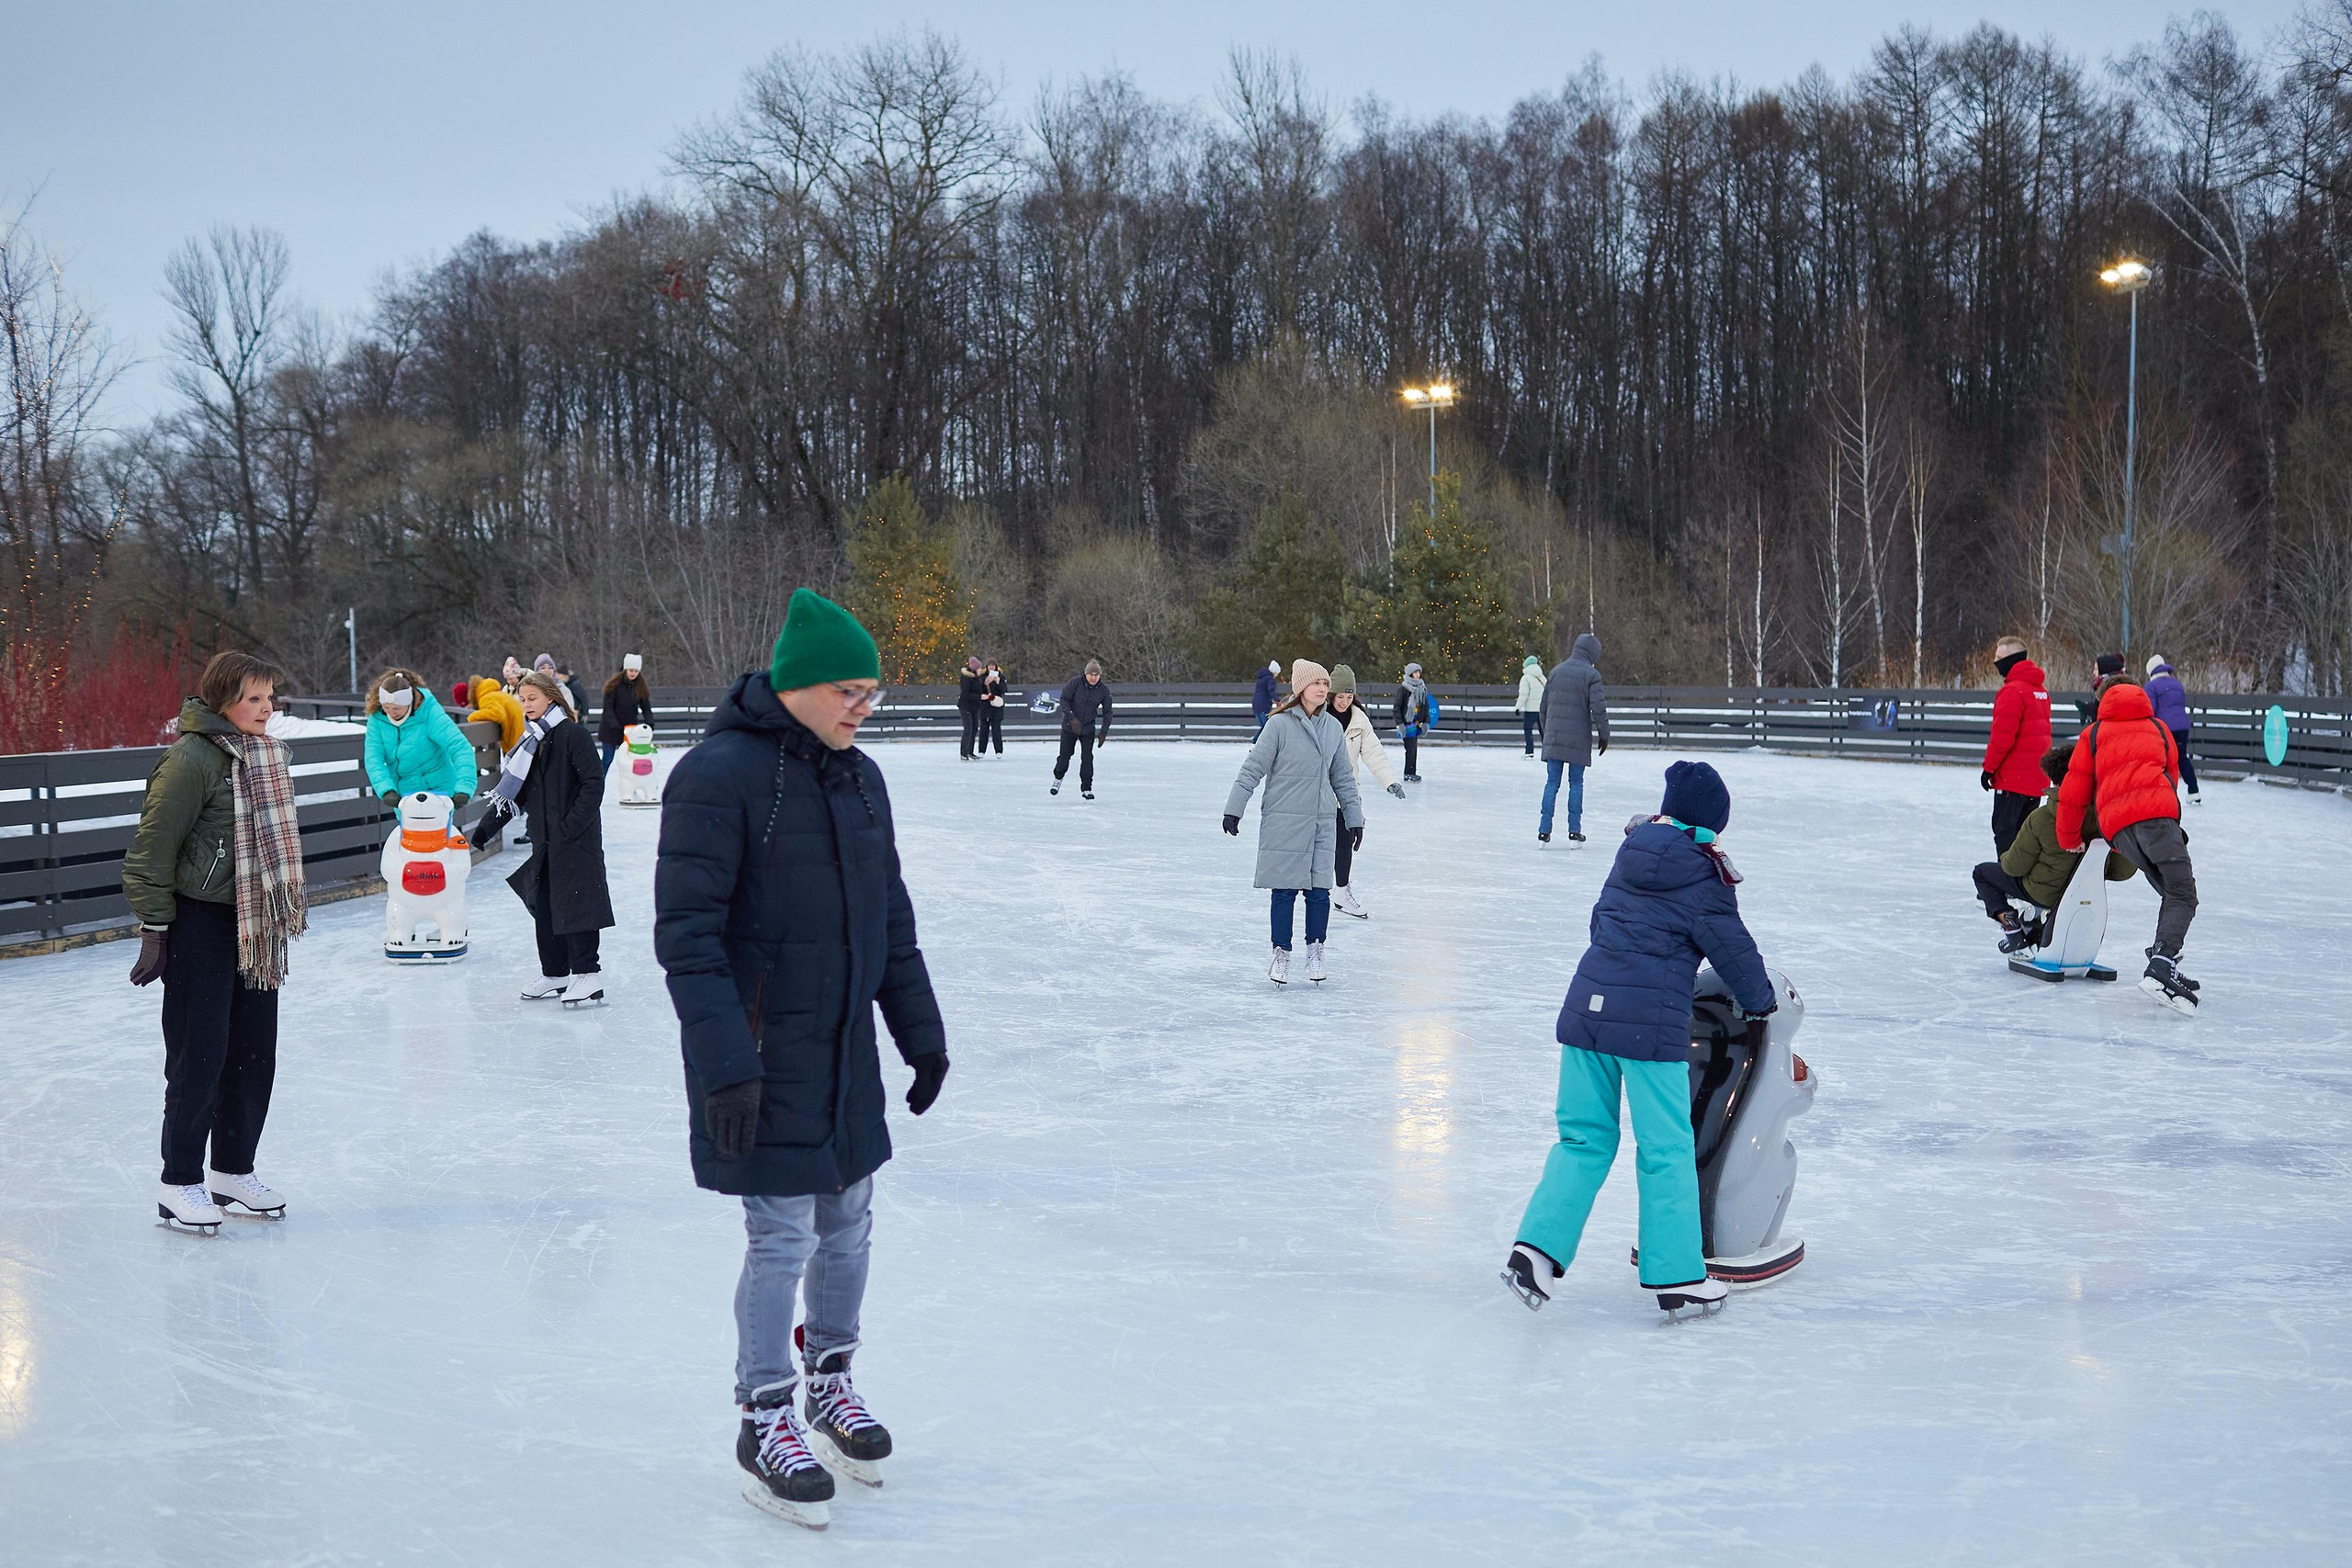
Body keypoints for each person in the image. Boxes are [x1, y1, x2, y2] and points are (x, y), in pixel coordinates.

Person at [654, 588, 947, 1529]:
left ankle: (829, 1379)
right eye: (850, 690)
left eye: (872, 691)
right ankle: (764, 1413)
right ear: (796, 686)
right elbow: (688, 939)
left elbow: (889, 918)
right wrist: (725, 1064)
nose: (865, 707)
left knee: (851, 1219)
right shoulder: (717, 776)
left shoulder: (859, 777)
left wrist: (920, 1029)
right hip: (761, 1047)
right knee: (781, 1233)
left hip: (842, 1045)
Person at [1500, 761, 1773, 1318]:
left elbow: (1601, 925)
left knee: (1582, 1140)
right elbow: (1735, 954)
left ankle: (1536, 1251)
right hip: (1650, 1029)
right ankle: (1677, 1278)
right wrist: (1761, 1001)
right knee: (1665, 1149)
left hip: (1585, 1015)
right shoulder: (1703, 875)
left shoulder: (1630, 854)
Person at [121, 649, 310, 1232]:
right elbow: (150, 853)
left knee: (254, 1054)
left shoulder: (261, 756)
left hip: (253, 928)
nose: (265, 708)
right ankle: (179, 1181)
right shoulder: (190, 760)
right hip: (198, 925)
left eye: (268, 697)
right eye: (253, 698)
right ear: (224, 699)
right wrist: (155, 929)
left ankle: (232, 1169)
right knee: (198, 1058)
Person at [2057, 679, 2201, 1010]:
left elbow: (2073, 791)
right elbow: (2171, 774)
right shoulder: (2159, 728)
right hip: (2157, 821)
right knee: (2182, 893)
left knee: (2171, 892)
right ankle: (2161, 964)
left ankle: (2165, 957)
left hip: (2119, 829)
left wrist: (2070, 838)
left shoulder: (2093, 733)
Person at [1222, 659, 1365, 985]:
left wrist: (1354, 818)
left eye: (1326, 685)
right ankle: (1281, 953)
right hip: (1284, 821)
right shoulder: (1279, 724)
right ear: (1301, 687)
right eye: (1317, 684)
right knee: (1284, 891)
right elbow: (1253, 768)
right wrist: (1235, 808)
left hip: (1321, 822)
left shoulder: (1332, 728)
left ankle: (1316, 950)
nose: (1323, 689)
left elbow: (1342, 777)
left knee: (1319, 892)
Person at [479, 671, 613, 1006]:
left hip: (575, 841)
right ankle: (554, 974)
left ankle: (588, 975)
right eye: (522, 700)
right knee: (547, 908)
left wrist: (569, 828)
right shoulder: (530, 744)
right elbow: (515, 794)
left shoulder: (573, 735)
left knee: (578, 904)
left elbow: (593, 784)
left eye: (532, 699)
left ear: (550, 698)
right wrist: (482, 831)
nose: (526, 705)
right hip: (545, 843)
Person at [1972, 742, 2136, 951]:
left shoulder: (2043, 818)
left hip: (2044, 893)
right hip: (2085, 893)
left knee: (1982, 873)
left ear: (2054, 778)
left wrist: (2006, 857)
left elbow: (2014, 868)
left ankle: (2011, 925)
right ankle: (2038, 925)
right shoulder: (2105, 818)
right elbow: (2123, 871)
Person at [1326, 665, 1404, 919]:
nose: (1345, 702)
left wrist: (1389, 780)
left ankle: (1341, 891)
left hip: (1346, 793)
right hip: (1317, 792)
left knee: (1346, 840)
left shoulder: (1359, 720)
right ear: (1331, 694)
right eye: (1340, 697)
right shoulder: (1318, 716)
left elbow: (1373, 751)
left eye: (1349, 697)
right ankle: (1312, 892)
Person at [1981, 636, 2053, 853]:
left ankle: (2005, 882)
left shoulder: (2012, 691)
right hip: (2035, 780)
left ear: (2012, 659)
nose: (1995, 662)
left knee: (2006, 833)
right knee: (2025, 837)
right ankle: (2021, 884)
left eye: (1999, 657)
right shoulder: (2040, 691)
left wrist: (1989, 769)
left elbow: (2002, 738)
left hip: (2013, 781)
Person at [363, 668, 477, 806]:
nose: (392, 713)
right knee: (409, 827)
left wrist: (464, 788)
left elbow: (459, 746)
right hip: (404, 795)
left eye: (397, 708)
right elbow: (373, 757)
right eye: (387, 708)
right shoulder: (377, 718)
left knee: (438, 827)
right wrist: (386, 789)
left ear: (409, 702)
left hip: (439, 789)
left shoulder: (429, 712)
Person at [1539, 634, 1609, 845]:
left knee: (1552, 783)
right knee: (1576, 783)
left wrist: (1548, 734)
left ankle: (1544, 830)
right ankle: (1574, 831)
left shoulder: (1556, 672)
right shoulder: (1591, 675)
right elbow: (1599, 709)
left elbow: (1543, 708)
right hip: (1578, 740)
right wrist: (1604, 735)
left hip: (1554, 736)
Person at [1052, 660, 1114, 799]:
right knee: (1065, 756)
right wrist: (1071, 717)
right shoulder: (1075, 683)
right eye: (1091, 674)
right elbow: (1064, 699)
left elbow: (1108, 711)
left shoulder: (1103, 690)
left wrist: (1104, 731)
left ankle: (1086, 788)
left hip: (1087, 728)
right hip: (1069, 727)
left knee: (1087, 758)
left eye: (1096, 675)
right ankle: (1058, 777)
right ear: (1086, 674)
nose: (1093, 677)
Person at [2144, 655, 2199, 805]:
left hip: (2164, 728)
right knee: (2181, 757)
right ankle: (2194, 790)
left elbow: (2150, 709)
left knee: (2162, 759)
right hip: (2182, 727)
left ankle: (2164, 791)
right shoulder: (2176, 684)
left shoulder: (2151, 687)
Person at [599, 654, 650, 773]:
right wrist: (614, 724)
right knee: (607, 759)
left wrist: (649, 722)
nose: (633, 673)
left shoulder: (640, 686)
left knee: (630, 761)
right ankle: (598, 786)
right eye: (631, 670)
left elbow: (646, 706)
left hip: (630, 730)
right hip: (610, 730)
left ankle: (630, 785)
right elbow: (608, 707)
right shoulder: (614, 685)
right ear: (626, 669)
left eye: (636, 671)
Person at [1393, 662, 1436, 782]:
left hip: (1417, 722)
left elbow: (1425, 706)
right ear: (1410, 674)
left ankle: (1411, 772)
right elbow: (1397, 708)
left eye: (1419, 672)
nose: (1418, 674)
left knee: (1414, 748)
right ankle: (1408, 773)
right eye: (1415, 672)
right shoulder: (1404, 689)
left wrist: (1426, 722)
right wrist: (1400, 724)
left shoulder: (1422, 688)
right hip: (1406, 723)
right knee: (1410, 748)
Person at [468, 676, 526, 753]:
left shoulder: (486, 698)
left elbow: (497, 714)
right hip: (521, 737)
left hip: (514, 742)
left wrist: (472, 717)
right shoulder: (499, 695)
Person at [2074, 652, 2126, 725]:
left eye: (2096, 669)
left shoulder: (2110, 689)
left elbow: (2104, 711)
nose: (2093, 672)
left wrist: (2086, 708)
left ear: (2104, 670)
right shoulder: (2105, 686)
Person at [1515, 655, 1547, 757]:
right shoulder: (1542, 677)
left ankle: (1529, 751)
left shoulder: (1526, 678)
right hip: (1542, 709)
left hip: (1531, 709)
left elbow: (1524, 694)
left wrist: (1518, 707)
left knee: (1528, 729)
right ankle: (1547, 751)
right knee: (1543, 730)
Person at [956, 656, 986, 761]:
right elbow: (966, 694)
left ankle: (970, 751)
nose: (980, 670)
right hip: (965, 706)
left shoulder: (977, 678)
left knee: (974, 728)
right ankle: (963, 753)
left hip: (975, 707)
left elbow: (980, 689)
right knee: (968, 728)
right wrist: (979, 697)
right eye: (978, 668)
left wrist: (986, 685)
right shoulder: (966, 677)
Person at [979, 660, 1007, 754]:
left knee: (996, 729)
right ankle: (981, 750)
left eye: (993, 665)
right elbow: (978, 690)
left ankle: (998, 751)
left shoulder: (1001, 676)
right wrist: (985, 683)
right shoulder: (982, 677)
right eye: (989, 665)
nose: (991, 667)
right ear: (986, 667)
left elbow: (1004, 690)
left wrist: (998, 682)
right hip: (985, 707)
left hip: (997, 707)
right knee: (984, 730)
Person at [1251, 660, 1281, 739]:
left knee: (1264, 726)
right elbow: (1271, 690)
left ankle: (1256, 743)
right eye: (1277, 673)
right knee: (1267, 727)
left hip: (1256, 704)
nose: (1277, 676)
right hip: (1263, 705)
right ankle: (1255, 742)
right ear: (1274, 672)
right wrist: (1277, 700)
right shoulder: (1270, 679)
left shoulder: (1261, 679)